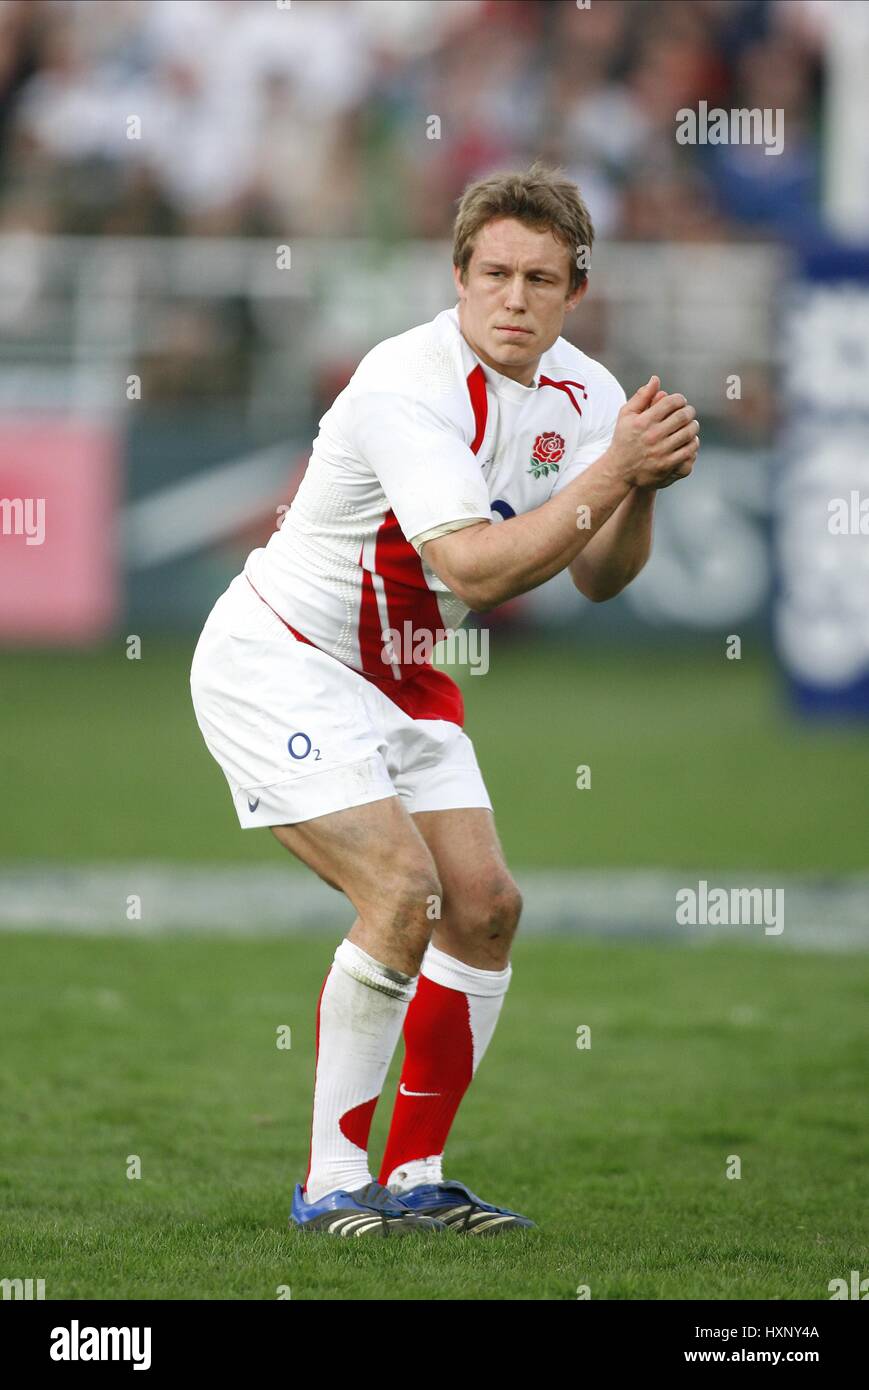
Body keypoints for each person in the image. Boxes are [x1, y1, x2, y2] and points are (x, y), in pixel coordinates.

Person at [190, 162, 700, 1237]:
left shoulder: (587, 393)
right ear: (457, 275)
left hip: (406, 673)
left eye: (540, 279)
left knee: (486, 908)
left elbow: (599, 577)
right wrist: (614, 471)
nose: (515, 298)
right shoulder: (402, 384)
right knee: (401, 891)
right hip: (281, 656)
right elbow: (473, 571)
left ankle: (416, 1177)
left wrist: (639, 487)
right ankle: (331, 1184)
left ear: (575, 290)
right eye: (495, 274)